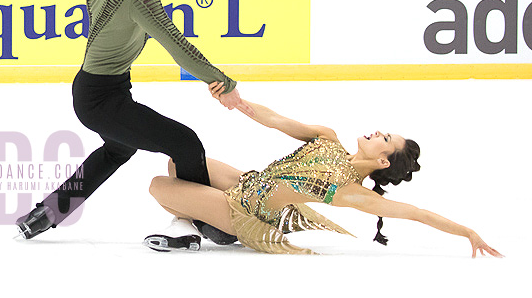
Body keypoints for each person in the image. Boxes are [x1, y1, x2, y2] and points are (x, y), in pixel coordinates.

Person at [0, 0, 252, 245]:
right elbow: (179, 49)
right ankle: (197, 222)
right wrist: (224, 83)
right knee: (185, 143)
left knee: (117, 149)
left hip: (94, 91)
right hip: (102, 99)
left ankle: (44, 214)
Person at [145, 81, 504, 257]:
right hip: (248, 182)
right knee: (179, 161)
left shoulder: (351, 192)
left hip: (246, 212)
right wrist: (234, 100)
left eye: (386, 138)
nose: (378, 131)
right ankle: (198, 225)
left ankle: (201, 226)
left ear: (383, 161)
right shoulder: (328, 138)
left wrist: (467, 232)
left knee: (158, 185)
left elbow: (416, 213)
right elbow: (276, 121)